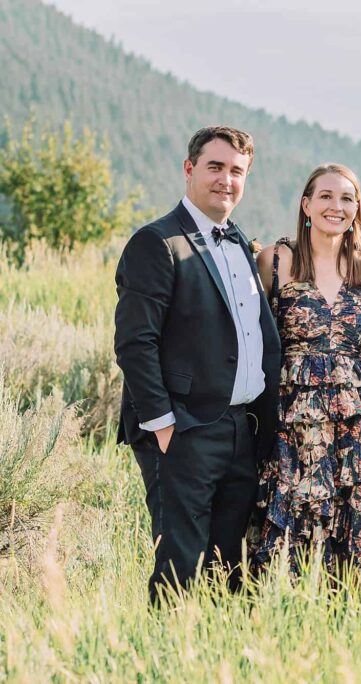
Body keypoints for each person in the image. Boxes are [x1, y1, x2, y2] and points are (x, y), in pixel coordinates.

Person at [114, 126, 281, 603]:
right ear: (189, 169)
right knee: (179, 562)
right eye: (215, 167)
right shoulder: (157, 243)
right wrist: (164, 425)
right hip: (182, 428)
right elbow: (134, 343)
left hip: (238, 429)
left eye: (237, 171)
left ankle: (213, 658)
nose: (226, 180)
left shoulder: (239, 243)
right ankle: (164, 663)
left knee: (228, 566)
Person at [251, 163, 361, 579]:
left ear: (357, 209)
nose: (336, 206)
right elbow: (255, 339)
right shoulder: (275, 260)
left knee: (349, 514)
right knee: (295, 509)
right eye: (326, 196)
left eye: (346, 198)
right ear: (306, 205)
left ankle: (345, 611)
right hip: (293, 418)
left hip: (351, 418)